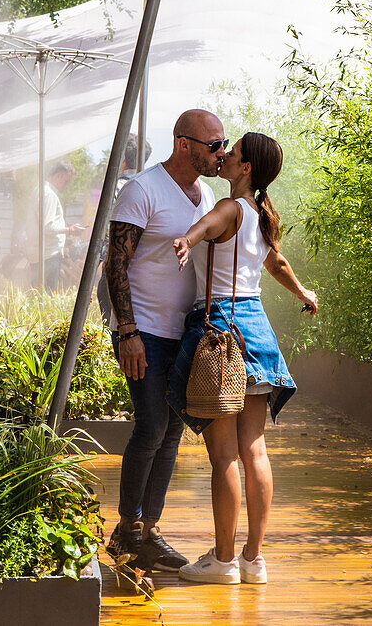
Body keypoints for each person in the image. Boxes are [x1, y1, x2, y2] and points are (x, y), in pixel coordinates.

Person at [169, 132, 318, 585]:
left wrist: (187, 240)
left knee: (223, 456)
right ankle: (254, 560)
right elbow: (277, 265)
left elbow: (210, 225)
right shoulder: (261, 215)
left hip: (220, 334)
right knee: (255, 449)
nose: (225, 157)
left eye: (231, 154)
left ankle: (223, 561)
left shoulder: (231, 207)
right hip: (257, 332)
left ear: (246, 168)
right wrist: (303, 293)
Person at [104, 109, 226, 573]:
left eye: (222, 144)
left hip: (186, 333)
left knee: (174, 430)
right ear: (184, 145)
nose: (221, 152)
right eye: (213, 145)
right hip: (145, 331)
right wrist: (128, 331)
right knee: (152, 424)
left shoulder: (208, 194)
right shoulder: (143, 190)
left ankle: (148, 530)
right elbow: (116, 263)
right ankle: (128, 529)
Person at [96, 132, 153, 325]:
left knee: (114, 327)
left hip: (116, 270)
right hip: (144, 278)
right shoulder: (149, 189)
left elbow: (105, 232)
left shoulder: (117, 188)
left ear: (121, 158)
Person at [28, 160, 85, 291]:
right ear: (58, 175)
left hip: (40, 254)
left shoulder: (40, 190)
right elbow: (47, 227)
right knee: (46, 297)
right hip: (48, 255)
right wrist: (70, 230)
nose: (66, 185)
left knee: (38, 296)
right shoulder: (49, 195)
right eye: (66, 181)